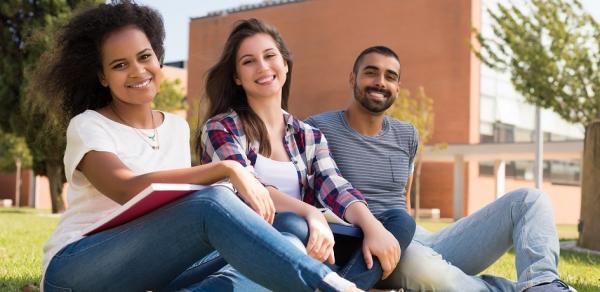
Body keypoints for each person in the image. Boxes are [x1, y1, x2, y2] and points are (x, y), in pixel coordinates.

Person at [39, 2, 363, 291]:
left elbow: (175, 211)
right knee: (212, 202)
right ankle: (332, 286)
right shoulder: (89, 125)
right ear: (102, 76)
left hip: (152, 268)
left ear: (158, 57)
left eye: (144, 56)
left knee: (287, 234)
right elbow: (127, 189)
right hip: (79, 266)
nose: (138, 71)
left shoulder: (177, 128)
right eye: (120, 65)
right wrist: (226, 168)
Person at [306, 45, 575, 292]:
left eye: (390, 76)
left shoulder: (407, 134)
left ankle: (542, 283)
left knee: (530, 200)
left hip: (415, 235)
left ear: (398, 87)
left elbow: (403, 199)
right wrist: (370, 273)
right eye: (371, 73)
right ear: (352, 78)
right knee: (428, 272)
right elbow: (310, 200)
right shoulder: (317, 129)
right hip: (367, 243)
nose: (380, 82)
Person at [198, 19, 415, 290]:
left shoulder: (308, 135)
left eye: (269, 56)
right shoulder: (221, 128)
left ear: (285, 65)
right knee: (294, 224)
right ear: (237, 77)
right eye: (249, 61)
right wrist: (310, 213)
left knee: (399, 221)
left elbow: (337, 187)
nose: (263, 67)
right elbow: (249, 192)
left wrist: (372, 226)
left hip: (310, 242)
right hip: (246, 245)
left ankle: (346, 285)